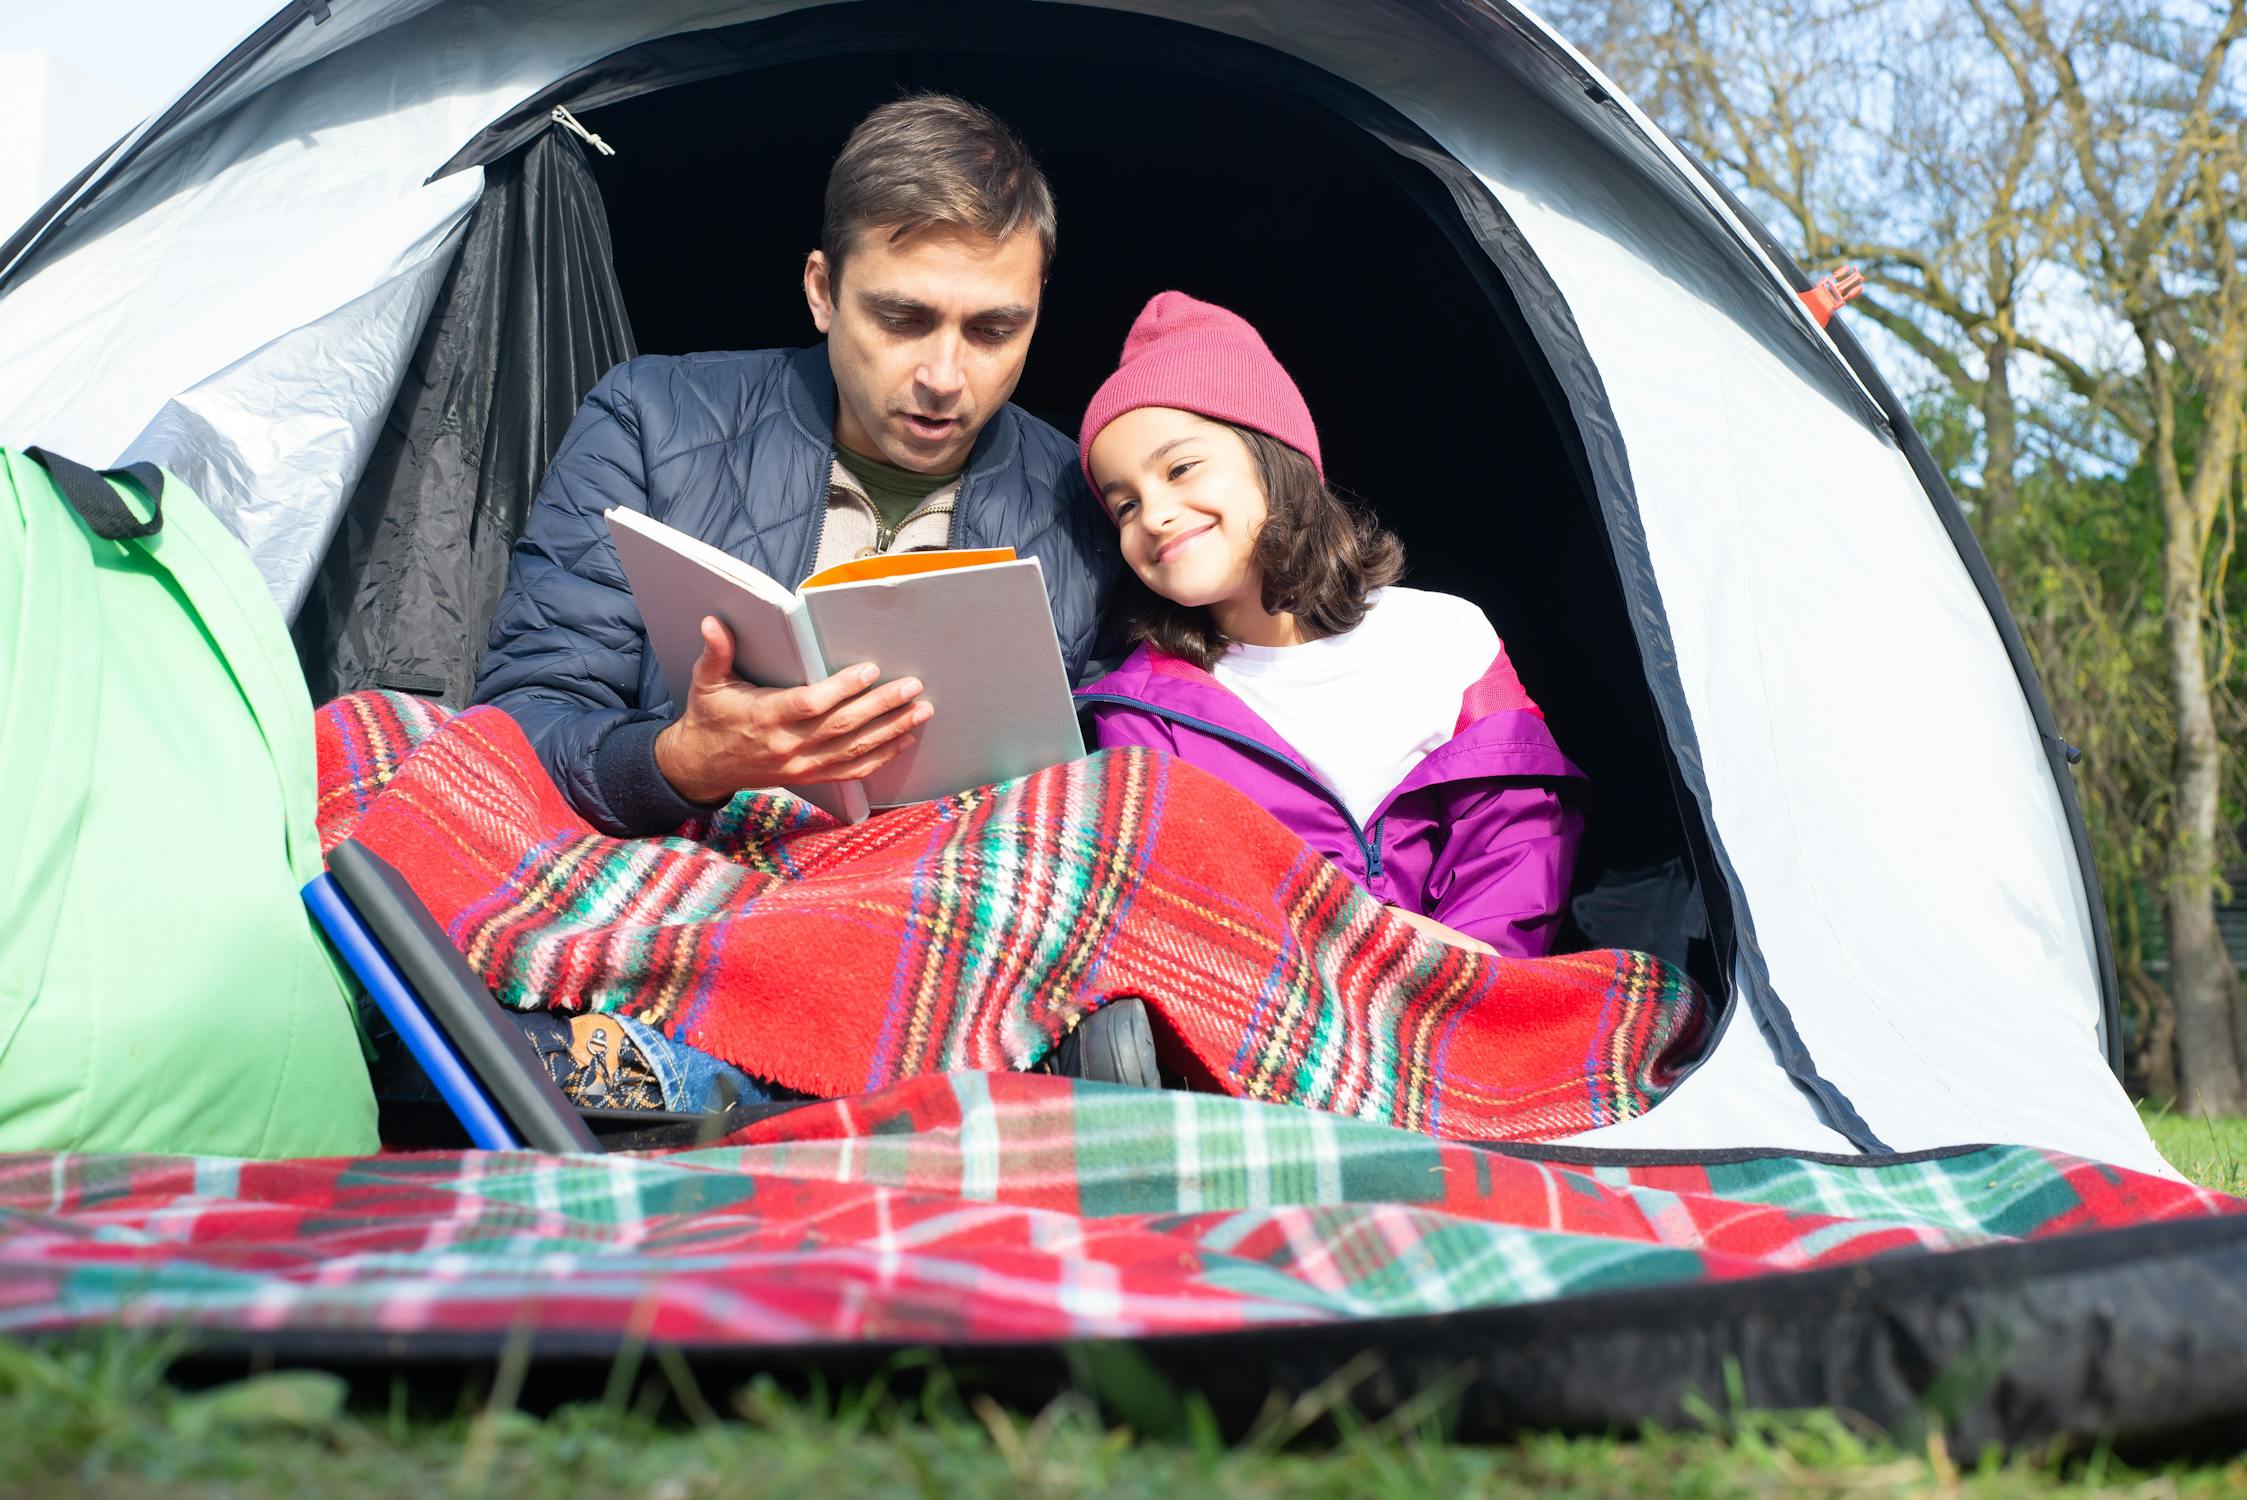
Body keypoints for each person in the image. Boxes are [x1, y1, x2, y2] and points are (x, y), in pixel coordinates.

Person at [474, 93, 1116, 836]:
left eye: (993, 330)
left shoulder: (1090, 503)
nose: (944, 375)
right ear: (821, 292)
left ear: (1037, 310)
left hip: (948, 911)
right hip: (685, 889)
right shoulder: (652, 421)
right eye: (902, 320)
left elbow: (1128, 775)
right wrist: (682, 763)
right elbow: (519, 723)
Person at [1074, 293, 1586, 958]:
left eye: (1180, 469)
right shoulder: (1141, 710)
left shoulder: (1444, 640)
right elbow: (1181, 902)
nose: (1157, 514)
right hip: (1268, 1013)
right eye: (1125, 506)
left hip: (1471, 996)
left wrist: (1469, 966)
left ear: (1275, 458)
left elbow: (1516, 830)